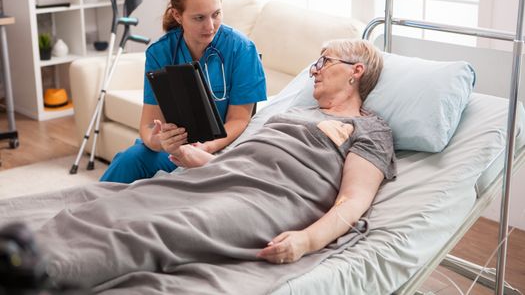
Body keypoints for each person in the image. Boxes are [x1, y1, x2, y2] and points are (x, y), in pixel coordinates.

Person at [0, 39, 395, 292]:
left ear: (355, 71)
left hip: (270, 200)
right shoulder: (289, 114)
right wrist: (201, 159)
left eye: (324, 61)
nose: (315, 70)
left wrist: (307, 240)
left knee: (159, 227)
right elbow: (245, 159)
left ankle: (37, 270)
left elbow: (354, 198)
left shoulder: (369, 129)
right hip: (223, 178)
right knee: (105, 200)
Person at [100, 0, 267, 183]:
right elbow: (149, 125)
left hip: (222, 148)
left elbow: (240, 119)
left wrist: (205, 147)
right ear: (178, 16)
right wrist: (160, 141)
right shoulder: (160, 53)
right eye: (199, 18)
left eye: (216, 14)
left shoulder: (241, 49)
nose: (210, 26)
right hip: (175, 150)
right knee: (129, 160)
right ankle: (86, 213)